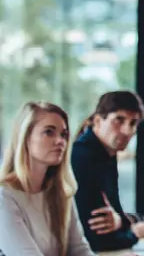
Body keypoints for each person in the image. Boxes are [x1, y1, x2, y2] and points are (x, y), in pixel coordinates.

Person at [0, 102, 94, 255]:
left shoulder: (61, 192)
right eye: (49, 132)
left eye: (64, 134)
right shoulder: (4, 196)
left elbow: (79, 250)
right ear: (25, 137)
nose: (60, 141)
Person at [71, 91, 144, 252]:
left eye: (133, 123)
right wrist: (134, 233)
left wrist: (122, 221)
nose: (127, 131)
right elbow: (96, 239)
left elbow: (115, 215)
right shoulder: (84, 156)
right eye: (119, 120)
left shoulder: (106, 154)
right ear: (97, 120)